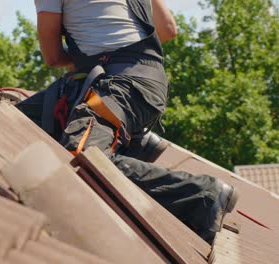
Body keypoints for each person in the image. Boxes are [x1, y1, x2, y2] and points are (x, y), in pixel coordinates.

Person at [31, 0, 239, 242]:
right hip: (149, 81)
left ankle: (202, 195)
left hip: (117, 86)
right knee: (21, 115)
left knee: (81, 156)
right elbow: (168, 29)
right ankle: (134, 143)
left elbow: (53, 56)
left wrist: (94, 55)